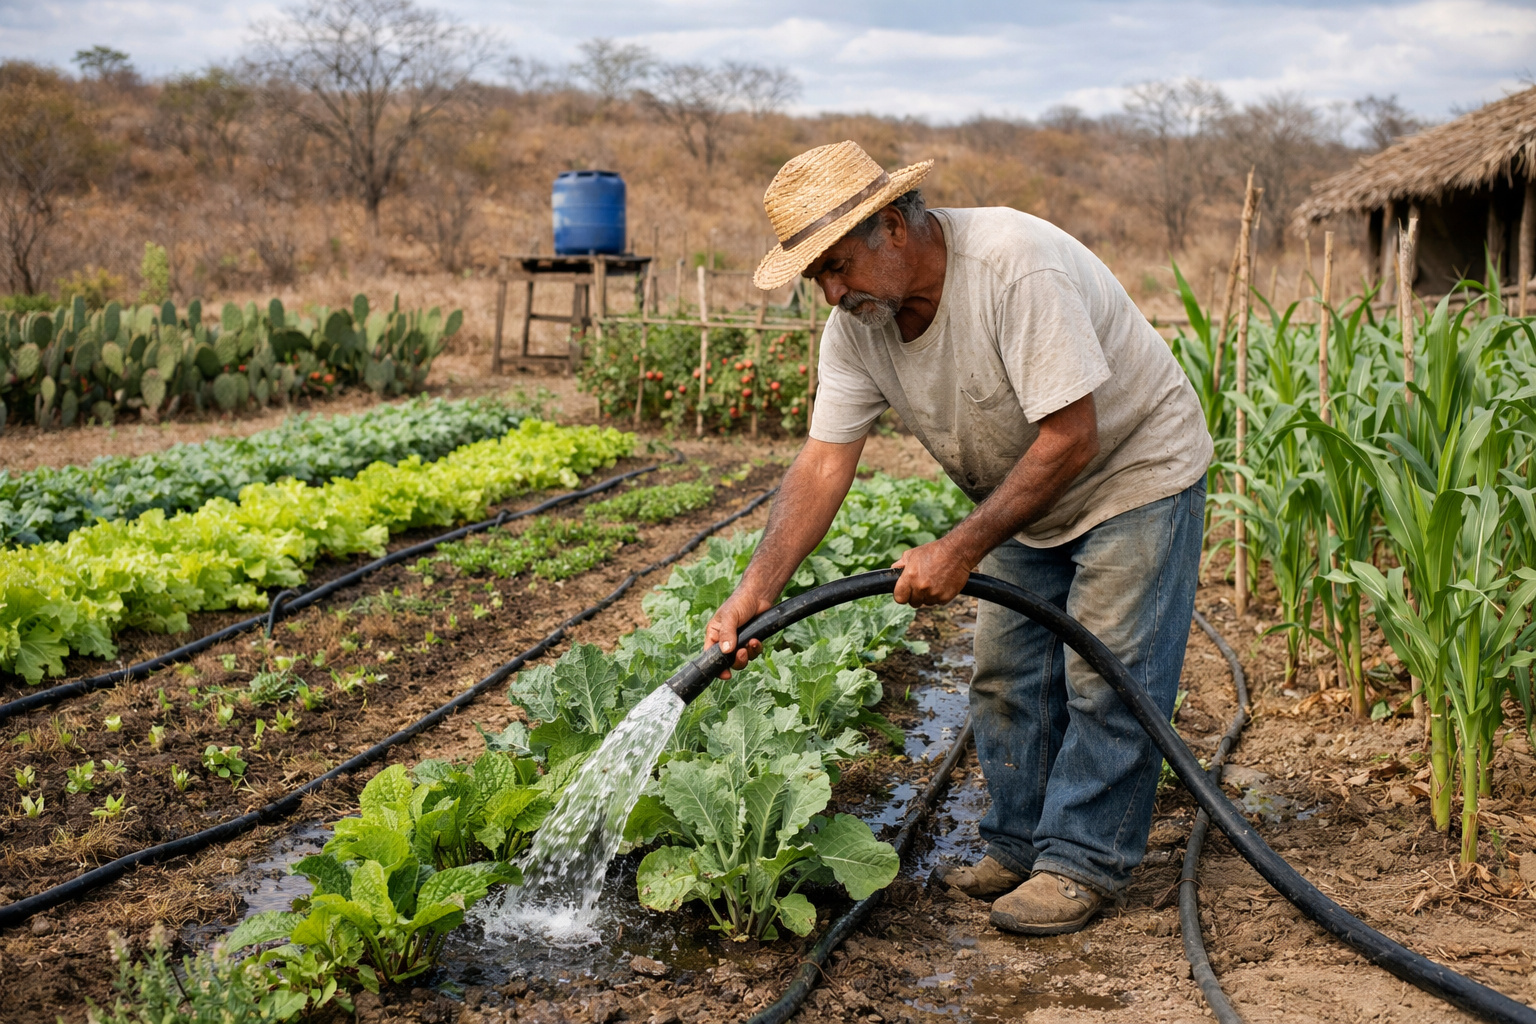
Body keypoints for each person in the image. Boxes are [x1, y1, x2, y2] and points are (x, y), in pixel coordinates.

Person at [705, 140, 1213, 937]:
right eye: (818, 279)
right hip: (1024, 490)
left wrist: (960, 547)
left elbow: (1073, 436)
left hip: (1129, 474)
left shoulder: (1014, 267)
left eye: (839, 265)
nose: (834, 292)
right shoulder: (860, 328)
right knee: (1007, 676)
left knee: (1105, 677)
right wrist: (755, 591)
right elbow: (824, 462)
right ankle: (1019, 844)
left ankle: (1082, 859)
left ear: (894, 229)